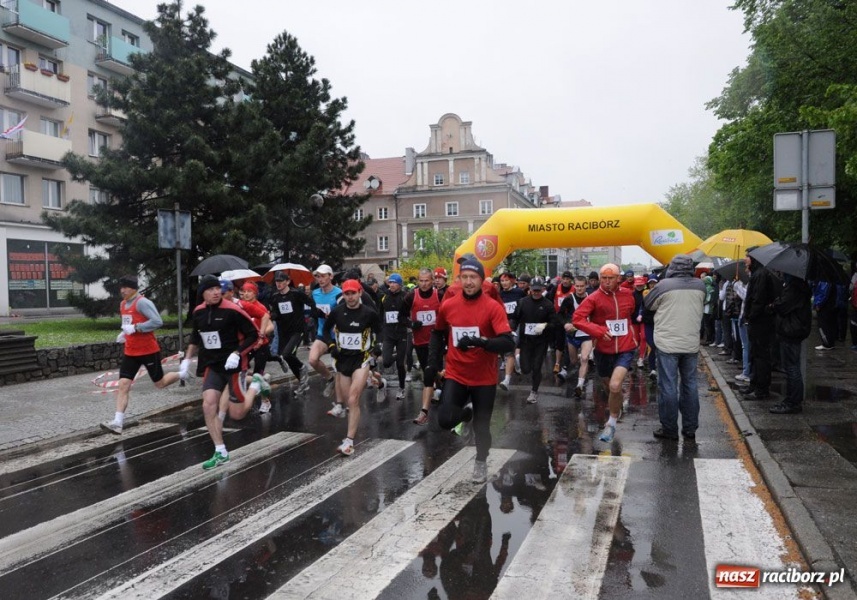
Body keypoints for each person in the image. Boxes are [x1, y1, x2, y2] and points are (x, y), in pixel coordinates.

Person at [427, 257, 515, 483]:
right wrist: (433, 364)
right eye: (464, 277)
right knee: (445, 419)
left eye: (473, 277)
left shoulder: (492, 307)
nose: (468, 282)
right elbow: (437, 333)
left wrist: (482, 342)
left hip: (484, 377)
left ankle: (481, 460)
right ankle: (465, 414)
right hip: (456, 372)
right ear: (459, 279)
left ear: (481, 279)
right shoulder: (449, 305)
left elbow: (508, 342)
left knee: (482, 427)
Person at [181, 274, 266, 470]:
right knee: (208, 405)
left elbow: (254, 335)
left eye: (217, 288)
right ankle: (220, 451)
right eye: (211, 289)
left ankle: (255, 385)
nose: (216, 292)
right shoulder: (199, 312)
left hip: (234, 365)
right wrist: (186, 361)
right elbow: (196, 338)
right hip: (213, 365)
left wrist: (237, 353)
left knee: (237, 414)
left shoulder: (233, 310)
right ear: (203, 293)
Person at [100, 275, 182, 434]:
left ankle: (181, 374)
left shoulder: (143, 302)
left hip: (148, 351)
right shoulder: (123, 304)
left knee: (160, 383)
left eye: (125, 287)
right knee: (123, 384)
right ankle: (118, 422)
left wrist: (137, 328)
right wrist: (124, 333)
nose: (122, 290)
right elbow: (127, 324)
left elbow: (157, 321)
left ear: (134, 288)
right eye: (121, 287)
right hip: (130, 351)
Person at [572, 263, 638, 443]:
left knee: (615, 386)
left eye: (611, 278)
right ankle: (616, 406)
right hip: (603, 349)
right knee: (610, 387)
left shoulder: (628, 295)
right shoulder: (593, 298)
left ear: (619, 278)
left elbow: (630, 314)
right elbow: (577, 318)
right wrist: (597, 330)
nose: (607, 282)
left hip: (625, 347)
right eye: (604, 278)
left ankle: (611, 423)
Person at [643, 254, 705, 440]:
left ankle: (669, 429)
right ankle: (690, 428)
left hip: (667, 344)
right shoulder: (700, 286)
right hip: (691, 343)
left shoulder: (663, 286)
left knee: (668, 386)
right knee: (690, 385)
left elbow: (648, 304)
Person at [322, 279, 381, 456]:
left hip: (361, 359)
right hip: (343, 360)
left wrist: (377, 347)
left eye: (353, 293)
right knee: (348, 400)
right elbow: (325, 330)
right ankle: (376, 380)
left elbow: (380, 331)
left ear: (360, 293)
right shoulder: (337, 312)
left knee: (354, 399)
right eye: (347, 294)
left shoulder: (369, 313)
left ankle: (349, 441)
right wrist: (332, 346)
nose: (350, 297)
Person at [401, 267, 443, 425]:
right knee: (431, 371)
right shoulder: (411, 296)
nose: (424, 284)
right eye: (421, 281)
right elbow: (401, 317)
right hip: (419, 341)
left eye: (427, 281)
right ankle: (441, 387)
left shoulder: (439, 295)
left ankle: (425, 411)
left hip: (437, 340)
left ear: (432, 281)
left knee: (430, 370)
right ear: (418, 281)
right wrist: (411, 323)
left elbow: (447, 316)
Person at [739, 249, 780, 400]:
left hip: (760, 323)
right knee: (755, 355)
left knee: (761, 356)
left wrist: (750, 316)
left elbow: (758, 299)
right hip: (758, 321)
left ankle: (761, 389)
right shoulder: (758, 274)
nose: (745, 259)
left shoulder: (761, 274)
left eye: (747, 256)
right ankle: (754, 385)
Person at [770, 274, 812, 414]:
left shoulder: (794, 286)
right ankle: (792, 400)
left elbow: (782, 306)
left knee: (792, 368)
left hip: (791, 330)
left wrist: (775, 303)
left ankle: (793, 402)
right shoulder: (799, 285)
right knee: (791, 367)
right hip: (794, 329)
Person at [268, 271, 313, 394]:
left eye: (281, 281)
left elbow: (310, 303)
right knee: (286, 357)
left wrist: (312, 318)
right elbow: (277, 313)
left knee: (288, 354)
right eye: (277, 281)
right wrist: (271, 316)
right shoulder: (275, 296)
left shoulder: (296, 294)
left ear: (287, 281)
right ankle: (302, 382)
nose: (279, 284)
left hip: (297, 330)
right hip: (284, 331)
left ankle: (302, 367)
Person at [511, 276, 554, 403]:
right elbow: (515, 318)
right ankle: (519, 362)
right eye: (534, 290)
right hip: (525, 341)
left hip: (541, 341)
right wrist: (511, 329)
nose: (536, 292)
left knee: (536, 367)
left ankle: (534, 392)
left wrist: (545, 326)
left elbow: (555, 322)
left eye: (538, 290)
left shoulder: (548, 304)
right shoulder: (523, 302)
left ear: (543, 289)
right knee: (526, 369)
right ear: (529, 289)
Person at [308, 265, 342, 405]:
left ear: (331, 276)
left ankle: (341, 402)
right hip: (323, 334)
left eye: (323, 276)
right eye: (318, 276)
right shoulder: (315, 294)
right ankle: (330, 378)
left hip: (339, 336)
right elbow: (310, 310)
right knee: (312, 360)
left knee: (342, 370)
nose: (320, 279)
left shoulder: (339, 293)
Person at [558, 275, 593, 397]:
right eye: (577, 286)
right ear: (574, 286)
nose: (579, 289)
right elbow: (560, 315)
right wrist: (566, 323)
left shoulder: (591, 298)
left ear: (586, 285)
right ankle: (581, 356)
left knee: (584, 359)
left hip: (586, 334)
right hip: (572, 335)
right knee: (573, 361)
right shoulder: (569, 299)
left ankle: (579, 385)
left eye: (582, 286)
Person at [379, 273, 410, 399]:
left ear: (400, 284)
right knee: (386, 362)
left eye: (394, 283)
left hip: (401, 333)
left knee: (400, 365)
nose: (391, 285)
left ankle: (401, 388)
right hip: (389, 334)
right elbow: (380, 316)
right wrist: (380, 334)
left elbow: (409, 314)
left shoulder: (405, 297)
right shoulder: (384, 297)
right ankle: (397, 356)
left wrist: (410, 323)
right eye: (390, 282)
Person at [498, 272, 526, 390]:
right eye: (502, 281)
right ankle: (515, 364)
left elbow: (525, 306)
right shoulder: (500, 295)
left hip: (518, 324)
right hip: (504, 325)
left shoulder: (519, 293)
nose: (504, 283)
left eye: (506, 280)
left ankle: (507, 379)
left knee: (511, 349)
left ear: (512, 281)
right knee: (505, 350)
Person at [548, 271, 575, 380]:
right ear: (562, 279)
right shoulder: (556, 288)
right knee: (559, 341)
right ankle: (558, 363)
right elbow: (549, 300)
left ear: (570, 280)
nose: (565, 281)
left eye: (568, 279)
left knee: (568, 342)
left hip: (570, 319)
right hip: (558, 318)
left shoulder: (574, 289)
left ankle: (569, 363)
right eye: (564, 278)